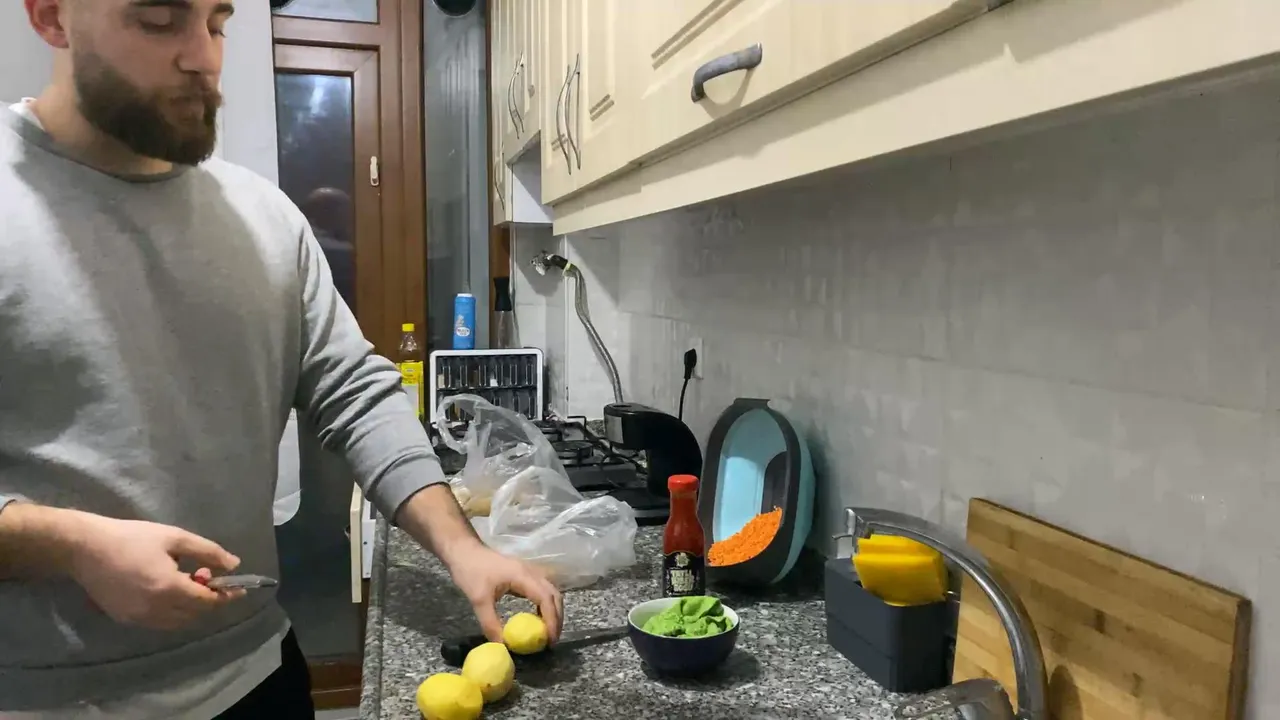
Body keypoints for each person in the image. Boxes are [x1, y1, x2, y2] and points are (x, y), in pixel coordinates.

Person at [0, 1, 563, 718]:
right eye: (158, 20)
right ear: (52, 16)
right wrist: (70, 544)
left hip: (258, 675)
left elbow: (356, 394)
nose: (203, 57)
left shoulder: (264, 217)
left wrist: (465, 549)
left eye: (217, 23)